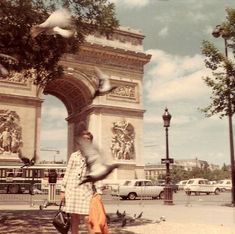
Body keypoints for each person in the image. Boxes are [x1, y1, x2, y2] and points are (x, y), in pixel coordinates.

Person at [60, 130, 94, 234]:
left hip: (86, 191)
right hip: (72, 189)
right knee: (74, 218)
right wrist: (62, 190)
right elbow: (68, 172)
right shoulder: (74, 155)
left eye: (88, 139)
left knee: (88, 218)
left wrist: (99, 191)